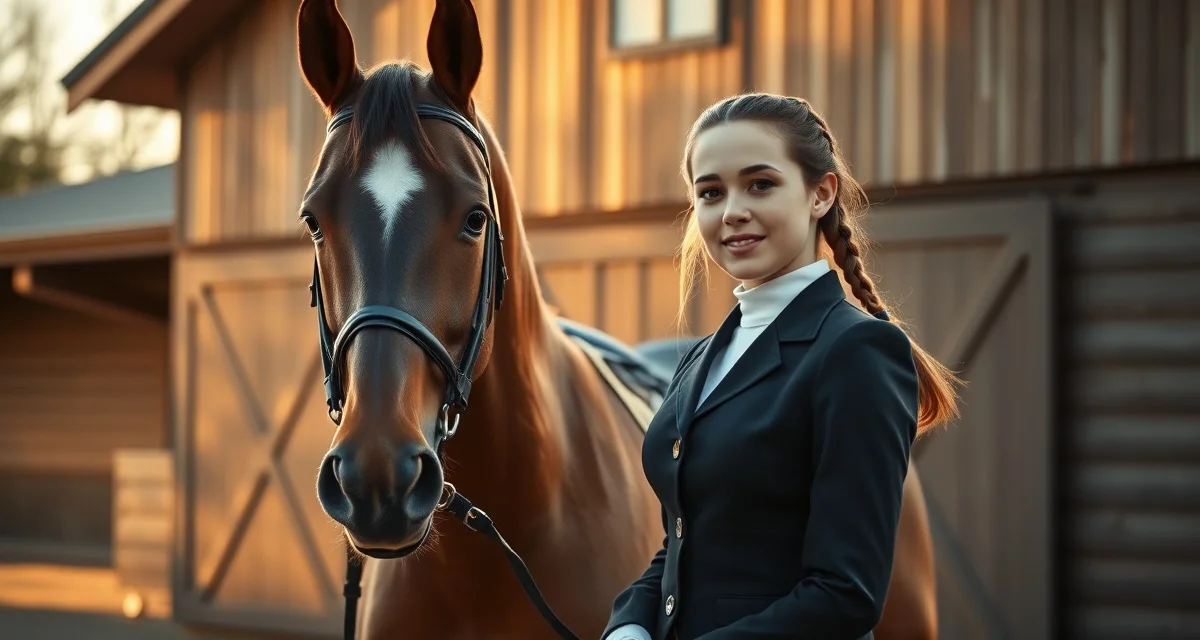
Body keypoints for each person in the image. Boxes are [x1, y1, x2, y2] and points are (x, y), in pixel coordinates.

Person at [600, 93, 960, 640]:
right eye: (711, 192)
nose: (732, 210)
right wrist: (629, 625)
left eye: (760, 184)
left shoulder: (857, 352)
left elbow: (846, 594)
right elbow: (684, 543)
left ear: (820, 194)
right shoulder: (703, 356)